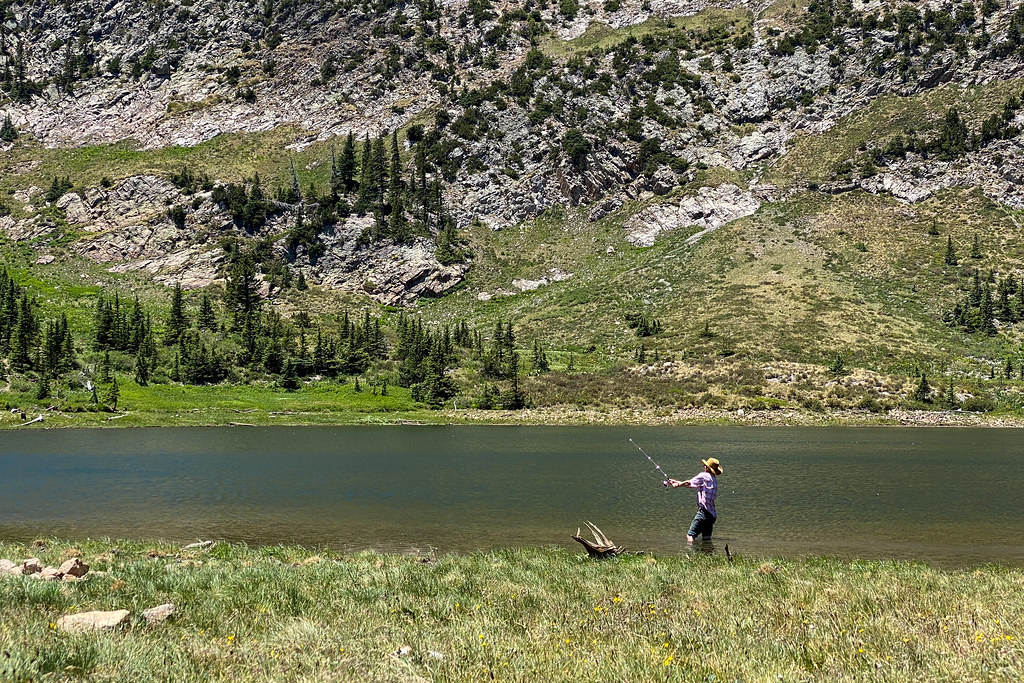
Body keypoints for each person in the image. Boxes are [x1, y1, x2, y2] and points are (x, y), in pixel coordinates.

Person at [667, 458, 723, 543]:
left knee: (690, 535)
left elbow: (689, 483)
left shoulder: (704, 476)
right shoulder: (713, 479)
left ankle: (690, 550)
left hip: (704, 513)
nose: (704, 467)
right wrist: (677, 482)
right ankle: (708, 550)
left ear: (707, 468)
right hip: (712, 515)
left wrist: (678, 484)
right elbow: (692, 484)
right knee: (706, 538)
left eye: (705, 466)